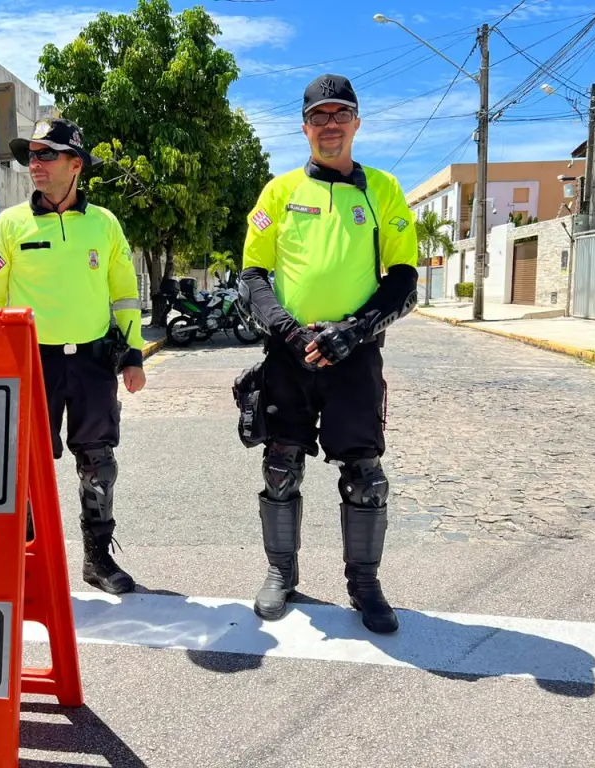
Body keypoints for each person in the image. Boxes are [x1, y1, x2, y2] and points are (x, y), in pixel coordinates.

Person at [234, 74, 419, 633]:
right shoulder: (279, 192)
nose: (330, 124)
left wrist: (353, 331)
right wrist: (289, 333)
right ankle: (280, 573)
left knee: (365, 474)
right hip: (288, 356)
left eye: (341, 114)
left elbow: (404, 281)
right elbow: (252, 277)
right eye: (319, 116)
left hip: (354, 355)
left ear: (357, 123)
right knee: (280, 465)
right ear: (305, 126)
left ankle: (364, 584)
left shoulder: (383, 189)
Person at [0, 117, 146, 595]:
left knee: (98, 461)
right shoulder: (9, 225)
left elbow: (124, 294)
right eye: (31, 154)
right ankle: (24, 564)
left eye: (46, 154)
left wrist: (132, 353)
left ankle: (97, 561)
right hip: (30, 362)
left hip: (93, 362)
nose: (36, 164)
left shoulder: (104, 224)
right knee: (23, 467)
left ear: (76, 165)